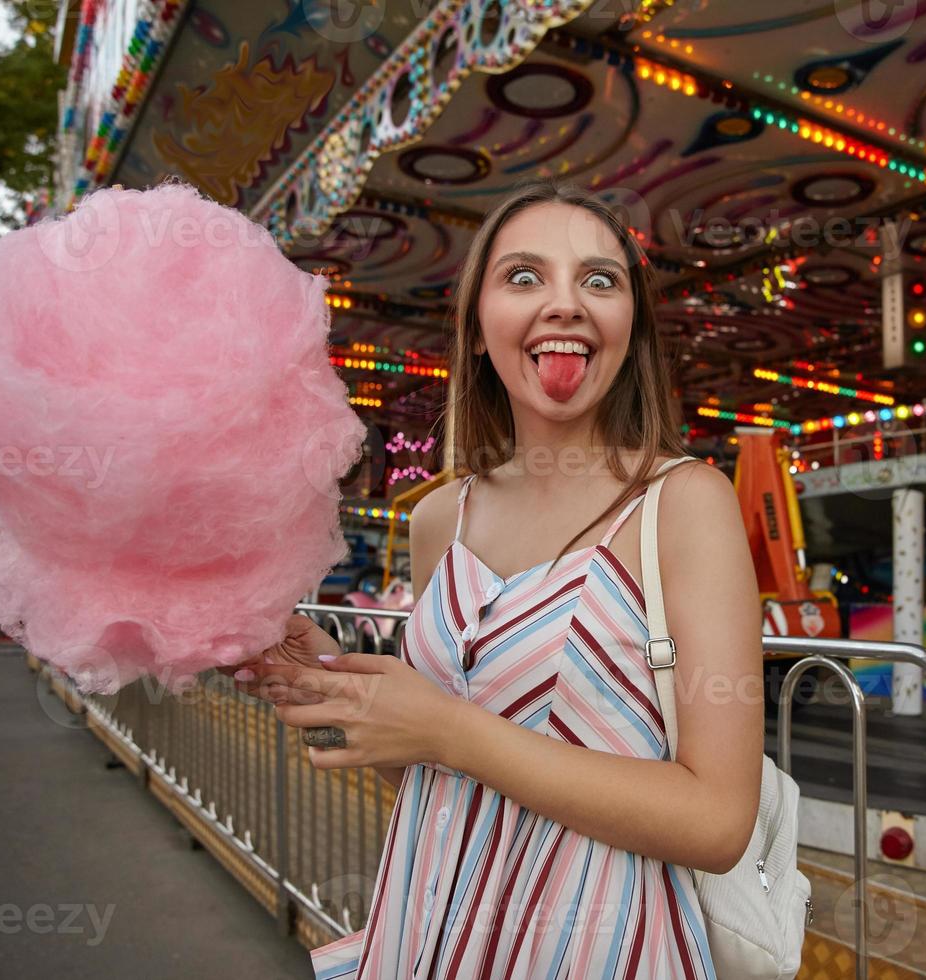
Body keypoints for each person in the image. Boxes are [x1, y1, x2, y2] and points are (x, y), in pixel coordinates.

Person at [229, 180, 763, 978]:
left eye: (599, 280)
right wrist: (328, 689)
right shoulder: (441, 517)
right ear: (478, 330)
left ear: (630, 328)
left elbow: (719, 822)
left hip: (594, 945)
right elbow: (428, 768)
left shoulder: (683, 504)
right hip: (434, 925)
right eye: (524, 277)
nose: (565, 305)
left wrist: (449, 729)